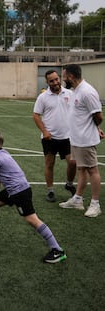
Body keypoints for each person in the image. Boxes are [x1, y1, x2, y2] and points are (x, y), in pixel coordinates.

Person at [0, 131, 67, 264]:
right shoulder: (3, 153)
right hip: (14, 189)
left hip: (19, 191)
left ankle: (57, 250)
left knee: (32, 219)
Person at [59, 64, 104, 217]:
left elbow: (98, 116)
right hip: (76, 138)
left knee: (92, 170)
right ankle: (77, 199)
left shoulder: (87, 91)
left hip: (85, 139)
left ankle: (95, 204)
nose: (63, 79)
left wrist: (94, 129)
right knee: (81, 169)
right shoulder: (75, 91)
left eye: (64, 76)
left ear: (71, 76)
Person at [33, 69, 76, 203]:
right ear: (47, 82)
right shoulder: (43, 97)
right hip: (49, 138)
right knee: (50, 163)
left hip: (68, 137)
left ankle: (69, 184)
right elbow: (36, 115)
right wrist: (44, 131)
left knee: (73, 162)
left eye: (57, 79)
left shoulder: (70, 93)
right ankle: (50, 190)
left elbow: (79, 112)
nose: (55, 82)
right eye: (52, 80)